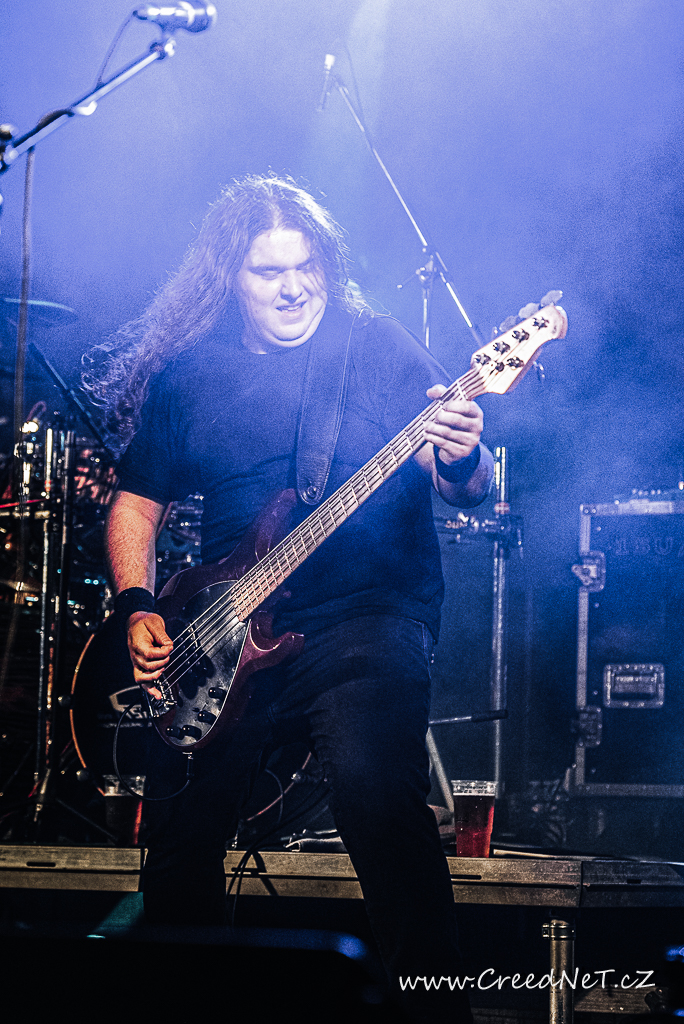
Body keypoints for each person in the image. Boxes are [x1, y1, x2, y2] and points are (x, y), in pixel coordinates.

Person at [86, 174, 493, 1022]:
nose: (293, 287)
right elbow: (135, 506)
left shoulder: (372, 345)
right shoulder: (192, 376)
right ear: (229, 277)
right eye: (269, 272)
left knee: (377, 797)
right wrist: (137, 605)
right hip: (227, 631)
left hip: (368, 615)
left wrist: (462, 456)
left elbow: (460, 483)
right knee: (179, 834)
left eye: (306, 266)